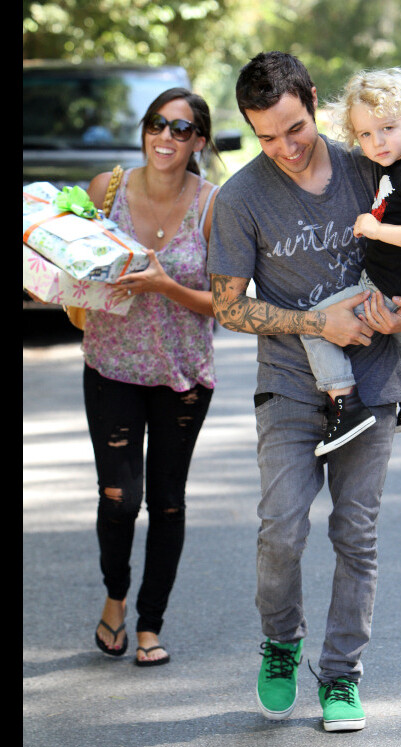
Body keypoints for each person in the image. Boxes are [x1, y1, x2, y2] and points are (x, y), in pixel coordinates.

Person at [208, 52, 401, 731]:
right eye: (265, 136)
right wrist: (315, 322)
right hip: (288, 385)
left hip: (373, 383)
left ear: (312, 101)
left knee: (355, 533)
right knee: (281, 529)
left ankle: (342, 677)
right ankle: (282, 643)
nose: (282, 148)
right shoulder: (240, 198)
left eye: (294, 129)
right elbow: (227, 306)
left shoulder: (371, 163)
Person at [86, 87, 220, 666]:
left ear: (199, 141)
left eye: (181, 129)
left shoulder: (215, 206)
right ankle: (115, 596)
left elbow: (226, 302)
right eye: (157, 124)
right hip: (111, 366)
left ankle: (149, 624)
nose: (166, 137)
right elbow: (70, 262)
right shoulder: (105, 190)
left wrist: (165, 284)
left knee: (167, 503)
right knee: (120, 501)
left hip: (184, 377)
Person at [300, 67, 401, 457]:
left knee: (316, 323)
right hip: (396, 282)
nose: (377, 142)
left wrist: (375, 229)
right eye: (365, 134)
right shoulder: (398, 165)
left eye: (387, 128)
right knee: (397, 329)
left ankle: (345, 405)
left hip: (388, 284)